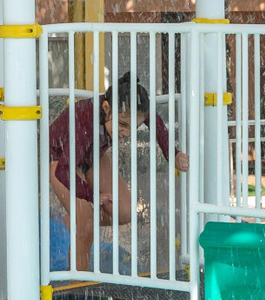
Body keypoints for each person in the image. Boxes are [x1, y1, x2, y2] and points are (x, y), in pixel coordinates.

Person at [46, 76, 187, 273]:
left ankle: (76, 219)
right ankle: (79, 285)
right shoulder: (85, 123)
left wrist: (173, 154)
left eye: (133, 127)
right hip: (61, 159)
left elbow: (153, 120)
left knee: (125, 211)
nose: (127, 133)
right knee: (85, 224)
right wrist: (91, 195)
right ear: (106, 108)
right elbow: (64, 170)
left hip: (91, 155)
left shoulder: (129, 109)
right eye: (122, 125)